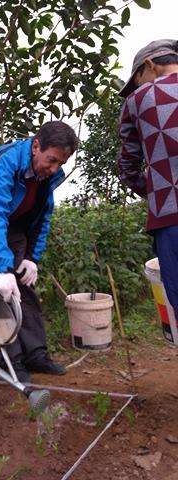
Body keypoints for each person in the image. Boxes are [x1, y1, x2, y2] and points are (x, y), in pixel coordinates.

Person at [0, 121, 78, 382]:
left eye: (60, 164)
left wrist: (31, 258)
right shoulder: (6, 161)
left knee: (23, 287)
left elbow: (42, 218)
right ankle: (11, 360)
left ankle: (35, 354)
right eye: (51, 160)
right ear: (36, 147)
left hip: (13, 224)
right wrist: (2, 269)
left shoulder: (46, 177)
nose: (54, 169)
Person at [118, 39, 178, 323]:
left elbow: (128, 169)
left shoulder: (136, 101)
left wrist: (157, 193)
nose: (137, 88)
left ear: (150, 65)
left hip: (170, 218)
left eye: (137, 80)